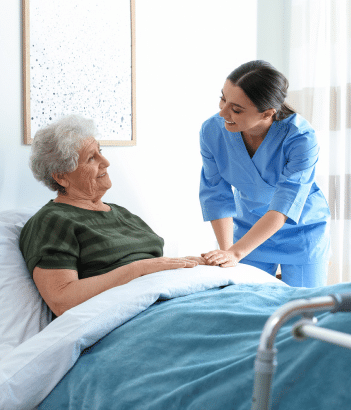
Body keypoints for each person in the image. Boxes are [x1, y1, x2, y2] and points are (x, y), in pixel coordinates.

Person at [20, 114, 204, 318]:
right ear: (62, 176)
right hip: (132, 318)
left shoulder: (122, 214)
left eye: (100, 152)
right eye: (92, 158)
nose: (106, 162)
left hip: (170, 301)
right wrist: (138, 269)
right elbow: (62, 300)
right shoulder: (52, 221)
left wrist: (191, 264)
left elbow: (153, 265)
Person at [199, 60, 330, 287]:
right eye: (223, 99)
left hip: (302, 233)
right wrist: (228, 252)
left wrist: (236, 253)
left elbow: (284, 204)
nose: (222, 112)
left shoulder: (301, 138)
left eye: (236, 109)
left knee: (304, 310)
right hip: (249, 230)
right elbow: (216, 195)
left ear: (267, 113)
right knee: (245, 305)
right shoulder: (212, 130)